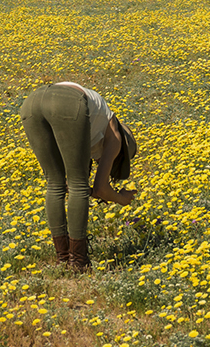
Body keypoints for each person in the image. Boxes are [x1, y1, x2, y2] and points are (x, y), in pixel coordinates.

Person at [19, 81, 139, 271]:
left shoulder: (94, 127)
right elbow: (100, 188)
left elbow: (73, 186)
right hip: (65, 102)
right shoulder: (115, 137)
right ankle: (78, 261)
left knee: (55, 184)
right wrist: (121, 199)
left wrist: (91, 191)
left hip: (32, 103)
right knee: (78, 184)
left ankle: (63, 258)